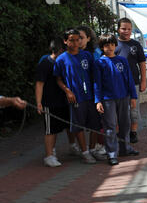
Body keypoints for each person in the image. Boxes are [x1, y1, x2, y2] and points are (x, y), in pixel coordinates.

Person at [54, 28, 105, 164]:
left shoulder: (87, 56)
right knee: (78, 125)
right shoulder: (61, 59)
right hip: (76, 97)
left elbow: (94, 76)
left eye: (78, 39)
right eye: (72, 40)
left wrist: (97, 96)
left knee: (95, 124)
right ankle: (85, 152)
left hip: (91, 96)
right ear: (65, 41)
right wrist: (67, 91)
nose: (75, 43)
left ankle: (93, 149)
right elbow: (58, 79)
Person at [35, 37, 83, 167]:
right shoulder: (45, 63)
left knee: (70, 125)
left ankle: (72, 146)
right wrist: (39, 103)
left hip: (65, 100)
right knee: (51, 130)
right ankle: (49, 155)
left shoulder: (65, 61)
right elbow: (39, 84)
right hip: (50, 103)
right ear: (61, 50)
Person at [94, 33, 139, 166]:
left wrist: (133, 96)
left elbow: (129, 79)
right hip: (108, 99)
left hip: (124, 97)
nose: (110, 47)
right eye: (107, 45)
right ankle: (112, 153)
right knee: (110, 126)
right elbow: (97, 83)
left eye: (112, 44)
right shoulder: (100, 62)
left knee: (125, 124)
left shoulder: (122, 61)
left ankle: (125, 148)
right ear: (102, 47)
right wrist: (98, 101)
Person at [115, 17, 147, 143]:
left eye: (129, 29)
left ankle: (133, 132)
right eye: (123, 29)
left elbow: (142, 63)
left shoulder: (136, 45)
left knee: (134, 108)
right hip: (117, 84)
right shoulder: (114, 44)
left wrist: (143, 81)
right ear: (118, 29)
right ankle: (120, 132)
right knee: (119, 110)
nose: (126, 31)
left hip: (133, 83)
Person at [77, 25, 105, 155]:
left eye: (81, 38)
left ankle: (97, 146)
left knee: (97, 122)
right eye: (76, 38)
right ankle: (82, 149)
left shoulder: (96, 54)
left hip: (95, 93)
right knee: (78, 123)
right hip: (79, 96)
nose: (79, 41)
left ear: (88, 38)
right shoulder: (71, 54)